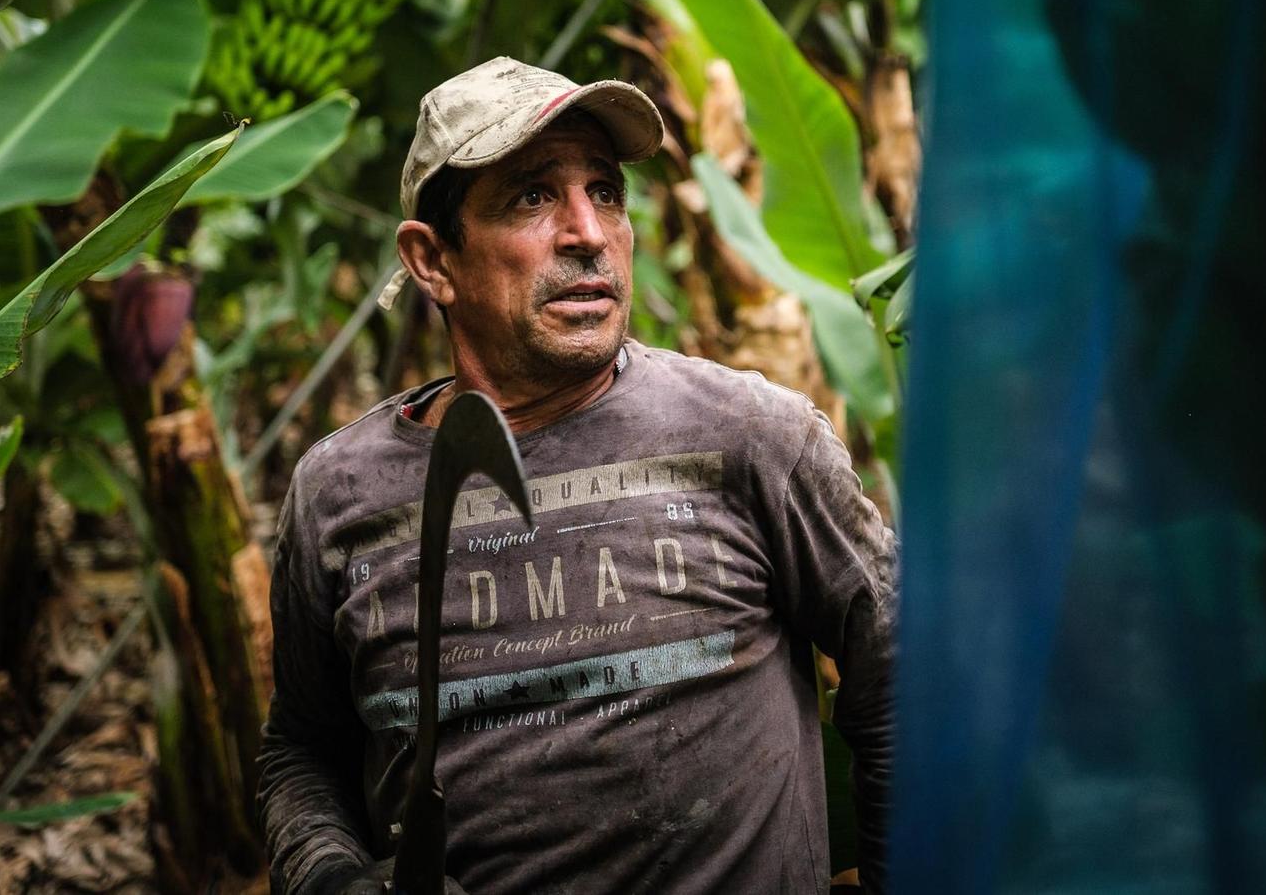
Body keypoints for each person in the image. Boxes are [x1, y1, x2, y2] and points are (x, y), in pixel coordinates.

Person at [258, 56, 896, 894]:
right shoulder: (340, 495)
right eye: (532, 196)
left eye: (604, 191)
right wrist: (329, 876)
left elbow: (902, 677)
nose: (588, 232)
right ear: (433, 260)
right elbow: (301, 752)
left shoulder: (750, 439)